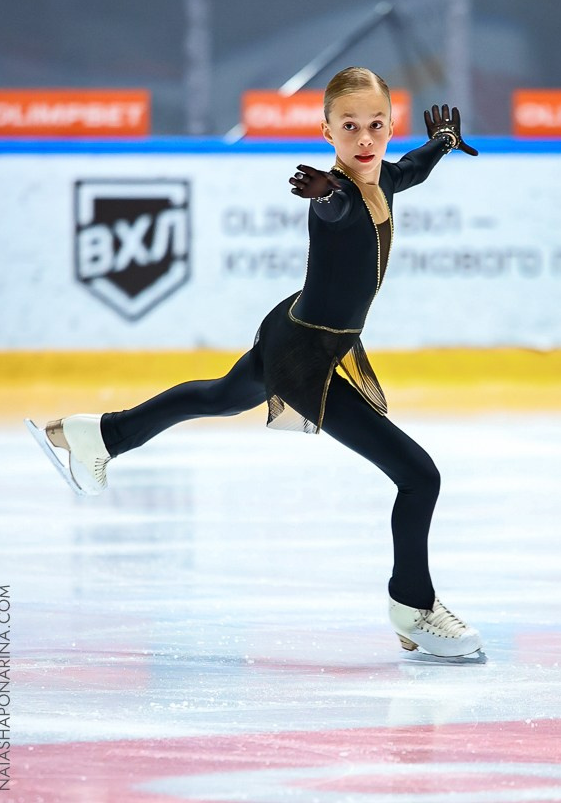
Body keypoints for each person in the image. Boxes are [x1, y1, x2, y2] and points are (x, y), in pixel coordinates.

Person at [26, 66, 482, 658]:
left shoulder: (383, 178)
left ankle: (98, 435)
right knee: (420, 476)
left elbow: (409, 170)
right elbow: (336, 209)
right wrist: (325, 193)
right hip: (305, 358)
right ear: (326, 131)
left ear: (389, 125)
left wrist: (440, 144)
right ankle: (413, 605)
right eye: (350, 128)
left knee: (219, 396)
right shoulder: (338, 194)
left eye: (376, 125)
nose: (365, 139)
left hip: (296, 329)